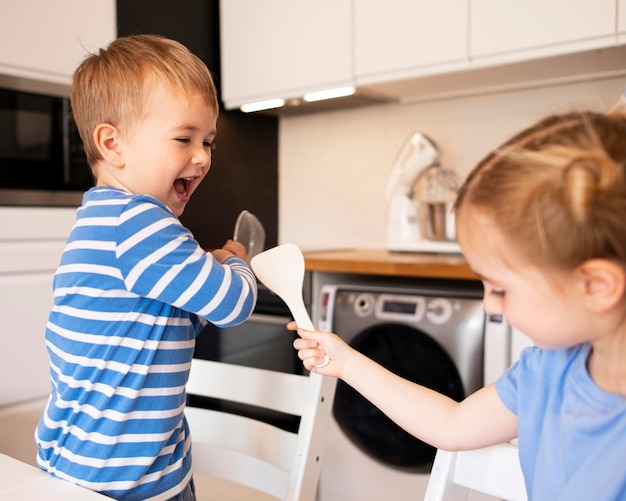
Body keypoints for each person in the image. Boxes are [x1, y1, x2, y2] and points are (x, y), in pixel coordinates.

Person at [292, 108, 626, 499]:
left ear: (597, 286)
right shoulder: (544, 371)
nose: (489, 306)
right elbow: (451, 424)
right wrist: (347, 362)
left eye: (499, 288)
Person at [35, 34, 257, 501]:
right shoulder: (141, 220)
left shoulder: (101, 221)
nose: (202, 157)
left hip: (80, 466)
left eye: (208, 141)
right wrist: (238, 264)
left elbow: (158, 320)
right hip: (134, 480)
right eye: (184, 138)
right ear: (113, 144)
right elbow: (233, 304)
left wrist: (203, 266)